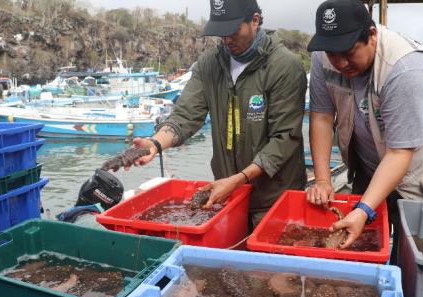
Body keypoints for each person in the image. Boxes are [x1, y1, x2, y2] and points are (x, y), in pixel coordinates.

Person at [306, 0, 423, 263]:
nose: (341, 62)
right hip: (370, 161)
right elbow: (322, 116)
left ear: (371, 34)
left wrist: (364, 209)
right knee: (360, 243)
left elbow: (400, 151)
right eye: (333, 53)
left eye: (349, 52)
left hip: (421, 168)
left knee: (413, 254)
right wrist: (323, 180)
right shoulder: (324, 55)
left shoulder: (405, 68)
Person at [132, 0, 307, 230]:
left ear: (255, 20)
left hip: (274, 199)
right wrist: (155, 144)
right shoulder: (209, 64)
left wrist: (239, 179)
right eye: (220, 32)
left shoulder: (285, 66)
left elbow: (284, 140)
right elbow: (185, 115)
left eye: (233, 30)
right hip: (228, 195)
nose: (226, 39)